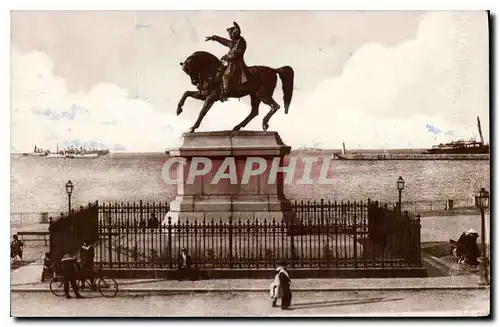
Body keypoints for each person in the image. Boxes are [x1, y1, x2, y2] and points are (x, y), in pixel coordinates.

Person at [205, 22, 248, 102]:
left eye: (232, 34)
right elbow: (224, 41)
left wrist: (227, 57)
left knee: (226, 75)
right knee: (218, 72)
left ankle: (225, 94)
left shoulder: (241, 43)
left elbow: (238, 53)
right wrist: (214, 37)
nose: (230, 36)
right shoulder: (233, 43)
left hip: (236, 64)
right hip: (230, 63)